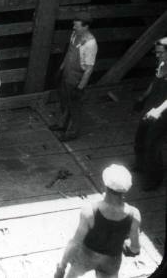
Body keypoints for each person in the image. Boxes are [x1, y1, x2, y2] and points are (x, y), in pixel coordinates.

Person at [54, 164, 141, 278]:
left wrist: (61, 268)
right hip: (111, 261)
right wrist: (125, 246)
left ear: (105, 185)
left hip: (86, 256)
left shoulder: (90, 211)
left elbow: (75, 243)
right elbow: (135, 248)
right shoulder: (134, 215)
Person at [50, 13, 98, 141]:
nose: (73, 28)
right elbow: (69, 53)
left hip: (77, 77)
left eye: (76, 26)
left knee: (75, 106)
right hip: (67, 73)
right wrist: (60, 69)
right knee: (64, 100)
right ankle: (62, 124)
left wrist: (80, 87)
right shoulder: (75, 35)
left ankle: (72, 132)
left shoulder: (90, 44)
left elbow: (89, 69)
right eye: (74, 25)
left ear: (86, 26)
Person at [133, 37, 167, 191]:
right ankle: (140, 165)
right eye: (157, 52)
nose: (157, 55)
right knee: (141, 135)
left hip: (163, 112)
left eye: (161, 53)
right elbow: (154, 83)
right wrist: (143, 97)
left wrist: (159, 110)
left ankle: (155, 178)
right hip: (152, 106)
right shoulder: (161, 64)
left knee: (153, 144)